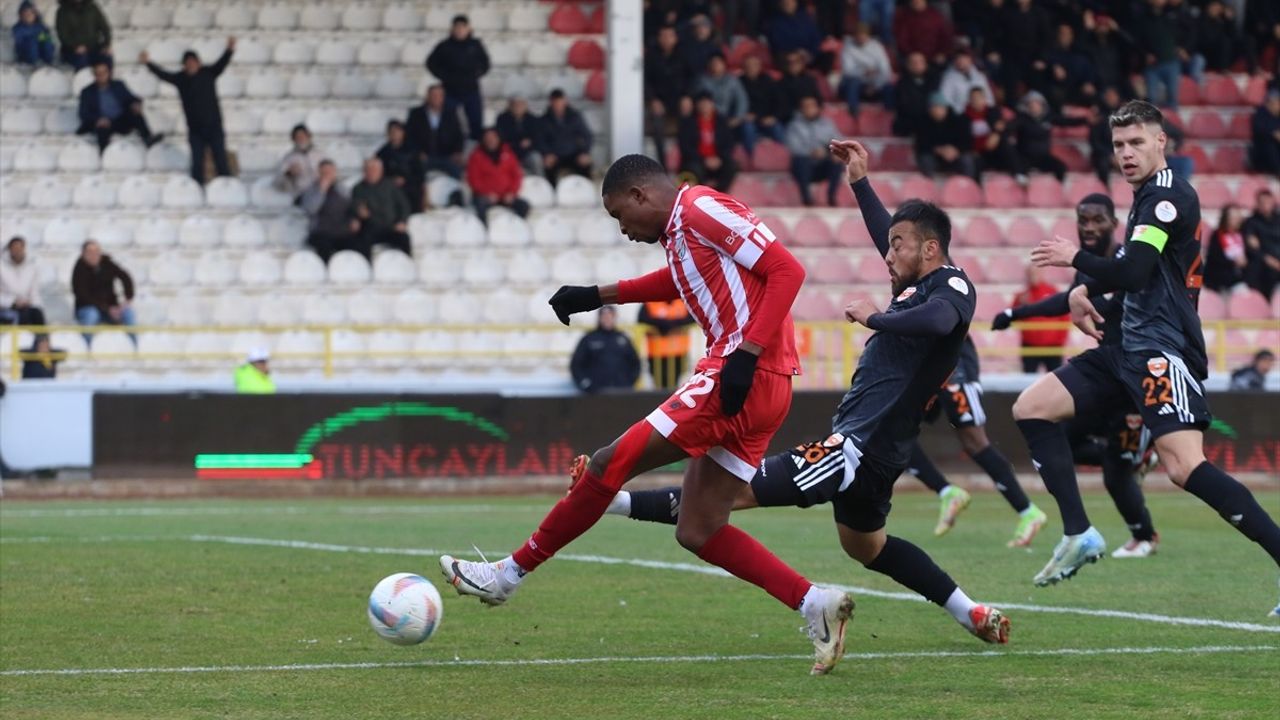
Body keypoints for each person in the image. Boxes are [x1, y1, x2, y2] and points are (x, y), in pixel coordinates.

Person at [440, 154, 859, 677]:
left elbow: (787, 270)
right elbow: (676, 282)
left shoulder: (702, 208)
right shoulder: (682, 232)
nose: (624, 229)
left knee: (606, 465)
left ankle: (508, 573)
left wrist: (747, 353)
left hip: (740, 372)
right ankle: (812, 601)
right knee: (699, 529)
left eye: (620, 216)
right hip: (764, 384)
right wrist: (597, 295)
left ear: (640, 195)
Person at [597, 142, 1013, 648]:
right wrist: (859, 181)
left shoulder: (952, 287)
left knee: (729, 495)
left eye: (897, 245)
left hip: (858, 447)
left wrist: (876, 318)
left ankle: (614, 502)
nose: (887, 253)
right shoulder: (916, 279)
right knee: (867, 547)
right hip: (876, 449)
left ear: (930, 249)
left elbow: (940, 321)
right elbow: (891, 235)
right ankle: (970, 611)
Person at [1021, 101, 1280, 605]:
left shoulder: (1166, 196)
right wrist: (1082, 292)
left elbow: (1136, 270)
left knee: (1184, 468)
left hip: (1161, 351)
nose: (1126, 153)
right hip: (1124, 349)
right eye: (1118, 145)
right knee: (1032, 408)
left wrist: (1074, 260)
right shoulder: (1145, 200)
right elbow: (1132, 266)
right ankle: (1079, 533)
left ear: (1162, 143)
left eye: (1136, 142)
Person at [995, 193, 1163, 559]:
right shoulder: (1087, 269)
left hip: (1133, 379)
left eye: (1097, 220)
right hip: (1104, 373)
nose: (1089, 227)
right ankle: (1130, 458)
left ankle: (1145, 536)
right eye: (1082, 220)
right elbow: (1070, 299)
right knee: (1058, 439)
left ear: (1115, 224)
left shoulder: (1126, 262)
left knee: (1118, 476)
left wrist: (1027, 311)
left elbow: (1105, 305)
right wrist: (1015, 313)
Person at [142, 38, 234, 184]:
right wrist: (148, 63)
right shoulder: (181, 79)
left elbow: (222, 63)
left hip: (214, 126)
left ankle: (228, 189)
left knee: (221, 160)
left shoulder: (208, 73)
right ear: (184, 66)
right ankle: (197, 192)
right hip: (195, 130)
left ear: (199, 63)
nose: (190, 65)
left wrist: (229, 50)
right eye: (187, 63)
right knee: (197, 163)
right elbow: (163, 74)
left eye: (193, 62)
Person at [425, 14, 489, 141]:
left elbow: (486, 63)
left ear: (468, 29)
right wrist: (444, 76)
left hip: (471, 90)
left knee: (476, 123)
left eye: (462, 27)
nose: (459, 30)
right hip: (450, 91)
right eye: (457, 27)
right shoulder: (444, 46)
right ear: (452, 29)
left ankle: (476, 152)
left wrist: (475, 74)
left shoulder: (476, 45)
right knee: (448, 124)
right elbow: (430, 63)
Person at [76, 61, 159, 153]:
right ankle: (104, 155)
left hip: (120, 120)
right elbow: (83, 113)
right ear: (94, 75)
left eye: (104, 72)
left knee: (135, 113)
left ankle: (148, 139)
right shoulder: (87, 92)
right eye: (98, 73)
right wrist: (98, 119)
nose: (101, 75)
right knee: (102, 129)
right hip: (103, 122)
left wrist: (135, 103)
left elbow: (132, 98)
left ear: (109, 73)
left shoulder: (118, 85)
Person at [1011, 90, 1083, 184]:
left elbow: (1066, 122)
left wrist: (1085, 120)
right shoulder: (1022, 119)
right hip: (1026, 156)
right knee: (1019, 169)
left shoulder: (1048, 118)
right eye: (1031, 103)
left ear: (1042, 105)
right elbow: (1010, 127)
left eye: (1037, 103)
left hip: (1043, 157)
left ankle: (1062, 192)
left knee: (1060, 167)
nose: (1034, 106)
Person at [71, 240, 135, 343]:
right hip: (88, 307)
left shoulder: (107, 263)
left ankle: (134, 348)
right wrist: (107, 308)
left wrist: (127, 299)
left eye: (97, 251)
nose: (94, 255)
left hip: (110, 309)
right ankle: (86, 348)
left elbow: (125, 276)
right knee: (91, 315)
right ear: (83, 254)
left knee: (129, 313)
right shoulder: (79, 269)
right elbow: (82, 295)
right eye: (90, 252)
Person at [349, 158, 412, 260]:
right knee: (361, 240)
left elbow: (404, 205)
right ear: (364, 171)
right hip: (371, 228)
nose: (372, 172)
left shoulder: (390, 186)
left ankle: (407, 266)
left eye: (375, 170)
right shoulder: (358, 188)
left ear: (381, 171)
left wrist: (402, 221)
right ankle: (367, 269)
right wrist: (358, 213)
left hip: (391, 227)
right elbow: (354, 207)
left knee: (404, 238)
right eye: (369, 170)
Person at [786, 95, 843, 207]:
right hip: (803, 165)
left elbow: (839, 141)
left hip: (822, 163)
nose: (809, 109)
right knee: (800, 160)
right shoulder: (794, 125)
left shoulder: (827, 124)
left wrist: (828, 152)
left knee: (837, 160)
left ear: (818, 108)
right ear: (801, 109)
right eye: (805, 106)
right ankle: (806, 198)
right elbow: (794, 147)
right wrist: (812, 153)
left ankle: (831, 197)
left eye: (812, 106)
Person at [643, 24, 689, 163]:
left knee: (688, 125)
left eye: (669, 36)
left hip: (678, 100)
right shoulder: (651, 56)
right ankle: (662, 165)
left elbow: (691, 78)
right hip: (659, 100)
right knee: (657, 124)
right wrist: (653, 99)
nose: (666, 39)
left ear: (675, 38)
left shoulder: (683, 54)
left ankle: (687, 163)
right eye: (663, 36)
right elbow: (645, 80)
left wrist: (687, 97)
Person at [1010, 265, 1068, 373]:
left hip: (1052, 346)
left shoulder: (1052, 292)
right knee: (1028, 379)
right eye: (1030, 274)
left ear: (1041, 274)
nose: (1033, 276)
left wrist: (1060, 340)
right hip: (1030, 345)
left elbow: (1064, 317)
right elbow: (1010, 318)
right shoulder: (1022, 296)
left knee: (1055, 378)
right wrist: (1019, 305)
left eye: (1035, 273)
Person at [569, 307, 641, 394]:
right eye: (604, 316)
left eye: (610, 316)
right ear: (599, 318)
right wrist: (586, 384)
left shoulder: (623, 339)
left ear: (614, 318)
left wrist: (629, 382)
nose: (607, 319)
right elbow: (576, 364)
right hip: (596, 393)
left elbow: (635, 363)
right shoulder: (589, 339)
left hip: (621, 391)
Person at [678, 92, 738, 192]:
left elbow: (729, 143)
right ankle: (701, 194)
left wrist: (719, 158)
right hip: (697, 161)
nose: (705, 106)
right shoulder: (688, 123)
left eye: (707, 103)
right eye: (702, 103)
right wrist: (704, 160)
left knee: (731, 166)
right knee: (693, 168)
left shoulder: (721, 121)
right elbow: (685, 147)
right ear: (696, 105)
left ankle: (720, 193)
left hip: (718, 160)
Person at [405, 84, 466, 182]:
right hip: (424, 156)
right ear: (428, 96)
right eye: (433, 95)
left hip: (447, 156)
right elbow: (409, 136)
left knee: (458, 174)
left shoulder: (451, 113)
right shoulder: (416, 114)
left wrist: (457, 152)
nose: (436, 98)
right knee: (415, 175)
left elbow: (459, 135)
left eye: (439, 95)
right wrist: (417, 153)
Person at [466, 127, 529, 221]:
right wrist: (487, 193)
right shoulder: (476, 156)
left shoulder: (508, 153)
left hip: (505, 196)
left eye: (493, 137)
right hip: (485, 196)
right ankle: (484, 231)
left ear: (498, 138)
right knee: (480, 205)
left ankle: (515, 228)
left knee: (524, 206)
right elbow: (473, 180)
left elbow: (517, 176)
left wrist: (511, 192)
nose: (491, 141)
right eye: (487, 138)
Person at [298, 160, 355, 263]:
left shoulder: (342, 189)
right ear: (319, 173)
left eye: (330, 172)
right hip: (320, 232)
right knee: (324, 247)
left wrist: (353, 219)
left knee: (356, 245)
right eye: (324, 172)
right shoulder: (311, 190)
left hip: (341, 232)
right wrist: (321, 191)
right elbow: (310, 209)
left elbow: (351, 207)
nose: (327, 175)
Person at [915, 93, 978, 182]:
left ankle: (968, 188)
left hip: (954, 156)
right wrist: (940, 150)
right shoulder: (923, 122)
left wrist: (956, 150)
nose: (938, 110)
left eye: (941, 107)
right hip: (935, 156)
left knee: (967, 160)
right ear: (929, 109)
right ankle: (929, 189)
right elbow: (922, 144)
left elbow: (966, 141)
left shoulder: (956, 121)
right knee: (926, 160)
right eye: (935, 107)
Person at [536, 89, 593, 184]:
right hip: (554, 155)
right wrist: (546, 154)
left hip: (574, 153)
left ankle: (586, 190)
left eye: (560, 102)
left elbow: (587, 136)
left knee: (585, 164)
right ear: (551, 103)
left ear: (565, 101)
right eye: (555, 103)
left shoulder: (575, 117)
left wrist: (584, 152)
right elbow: (540, 140)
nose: (558, 105)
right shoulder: (544, 120)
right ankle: (552, 193)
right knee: (547, 166)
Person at [637, 298, 695, 389]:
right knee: (659, 385)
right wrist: (663, 325)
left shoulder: (683, 302)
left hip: (679, 353)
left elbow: (693, 317)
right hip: (657, 354)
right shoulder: (651, 303)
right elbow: (642, 318)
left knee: (677, 383)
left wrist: (672, 324)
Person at [838, 22, 893, 115]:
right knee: (853, 82)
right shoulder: (847, 47)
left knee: (889, 88)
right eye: (858, 35)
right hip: (855, 86)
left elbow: (885, 70)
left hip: (874, 85)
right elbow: (848, 70)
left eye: (863, 35)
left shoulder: (877, 47)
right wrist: (864, 72)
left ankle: (889, 115)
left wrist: (875, 86)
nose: (861, 38)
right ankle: (854, 113)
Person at [1138, 0, 1183, 110]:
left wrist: (1184, 47)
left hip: (1171, 61)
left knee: (1173, 99)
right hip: (1152, 65)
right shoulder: (1143, 16)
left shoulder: (1174, 13)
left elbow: (1188, 31)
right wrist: (1145, 54)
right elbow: (1137, 41)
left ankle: (1172, 125)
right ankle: (1153, 125)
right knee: (1151, 99)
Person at [964, 87, 1018, 176]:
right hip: (976, 153)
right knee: (973, 161)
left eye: (979, 98)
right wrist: (972, 150)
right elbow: (963, 138)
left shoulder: (993, 112)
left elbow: (1003, 128)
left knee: (1006, 145)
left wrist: (997, 134)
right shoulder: (964, 117)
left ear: (984, 99)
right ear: (970, 100)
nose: (976, 101)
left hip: (992, 150)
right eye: (973, 98)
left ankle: (1019, 175)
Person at [693, 54, 748, 142]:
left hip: (730, 118)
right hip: (710, 118)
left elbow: (742, 100)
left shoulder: (732, 80)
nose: (716, 65)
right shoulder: (702, 81)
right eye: (713, 63)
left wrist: (737, 117)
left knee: (747, 126)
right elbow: (701, 102)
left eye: (718, 63)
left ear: (724, 64)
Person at [738, 54, 785, 154]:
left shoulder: (769, 81)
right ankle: (752, 158)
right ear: (743, 67)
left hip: (767, 118)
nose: (751, 68)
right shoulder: (738, 82)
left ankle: (784, 156)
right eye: (748, 65)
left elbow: (779, 102)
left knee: (778, 129)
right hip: (748, 119)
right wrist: (743, 115)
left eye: (754, 65)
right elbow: (736, 103)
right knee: (747, 128)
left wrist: (773, 117)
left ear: (760, 67)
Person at [376, 120, 426, 213]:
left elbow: (419, 175)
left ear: (403, 133)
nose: (394, 134)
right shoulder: (382, 153)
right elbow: (378, 175)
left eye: (397, 131)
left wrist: (405, 180)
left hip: (410, 187)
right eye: (392, 132)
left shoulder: (413, 151)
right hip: (390, 188)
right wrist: (391, 180)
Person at [892, 0, 953, 67]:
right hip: (913, 57)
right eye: (914, 2)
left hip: (935, 57)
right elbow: (901, 39)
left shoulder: (935, 15)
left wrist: (942, 53)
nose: (917, 3)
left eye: (919, 1)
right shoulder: (904, 17)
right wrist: (912, 54)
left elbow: (945, 36)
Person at [1203, 204, 1248, 293]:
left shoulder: (1243, 234)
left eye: (1238, 217)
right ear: (1226, 219)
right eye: (1233, 218)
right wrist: (1234, 262)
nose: (1237, 221)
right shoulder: (1217, 235)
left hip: (1240, 277)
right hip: (1221, 279)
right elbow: (1214, 258)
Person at [765, 0, 823, 70]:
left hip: (808, 55)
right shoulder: (774, 23)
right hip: (789, 56)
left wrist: (810, 53)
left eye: (790, 2)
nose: (788, 5)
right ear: (780, 5)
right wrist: (798, 52)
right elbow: (777, 43)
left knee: (827, 56)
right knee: (789, 59)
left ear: (795, 3)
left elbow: (816, 38)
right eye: (785, 3)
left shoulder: (805, 18)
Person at [893, 51, 939, 138]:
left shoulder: (934, 80)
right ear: (908, 65)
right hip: (909, 121)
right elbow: (904, 105)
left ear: (926, 64)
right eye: (913, 62)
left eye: (920, 62)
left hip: (929, 120)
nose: (917, 65)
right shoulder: (902, 83)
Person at [1244, 189, 1280, 299]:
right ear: (1257, 204)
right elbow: (1253, 248)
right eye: (1262, 202)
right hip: (1264, 264)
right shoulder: (1251, 222)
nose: (1265, 205)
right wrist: (1269, 260)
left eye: (1268, 202)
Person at [0, 237, 44, 326]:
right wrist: (13, 302)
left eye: (20, 248)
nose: (17, 252)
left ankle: (43, 339)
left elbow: (35, 294)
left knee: (37, 313)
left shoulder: (32, 268)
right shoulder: (2, 267)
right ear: (10, 250)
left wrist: (30, 302)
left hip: (26, 308)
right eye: (15, 248)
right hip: (6, 308)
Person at [55, 0, 110, 70]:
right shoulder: (62, 11)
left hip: (93, 47)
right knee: (82, 59)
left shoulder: (92, 8)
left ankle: (106, 80)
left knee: (107, 57)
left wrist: (106, 44)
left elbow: (104, 27)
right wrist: (75, 47)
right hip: (71, 50)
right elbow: (62, 35)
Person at [495, 96, 542, 178]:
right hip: (508, 152)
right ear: (510, 106)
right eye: (515, 104)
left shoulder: (533, 119)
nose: (518, 107)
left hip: (527, 152)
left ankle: (540, 183)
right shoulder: (502, 119)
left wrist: (529, 142)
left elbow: (537, 138)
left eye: (521, 104)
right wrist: (519, 143)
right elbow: (501, 138)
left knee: (536, 158)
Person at [938, 49, 994, 116]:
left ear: (970, 60)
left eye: (964, 58)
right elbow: (946, 101)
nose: (960, 62)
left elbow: (989, 98)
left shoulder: (980, 76)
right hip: (960, 115)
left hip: (982, 114)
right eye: (958, 59)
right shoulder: (948, 78)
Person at [273, 125, 322, 199]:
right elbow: (278, 183)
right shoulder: (288, 158)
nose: (301, 139)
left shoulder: (321, 155)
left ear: (309, 137)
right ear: (293, 140)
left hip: (320, 193)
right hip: (301, 195)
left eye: (303, 136)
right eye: (297, 138)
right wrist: (288, 174)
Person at [775, 51, 821, 126]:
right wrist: (804, 109)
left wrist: (814, 108)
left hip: (813, 113)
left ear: (802, 63)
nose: (793, 65)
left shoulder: (810, 80)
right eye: (790, 62)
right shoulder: (781, 83)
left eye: (796, 61)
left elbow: (819, 99)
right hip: (794, 117)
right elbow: (783, 106)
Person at [1251, 90, 1280, 177]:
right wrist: (1274, 133)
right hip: (1262, 153)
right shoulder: (1260, 113)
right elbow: (1259, 130)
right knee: (1269, 143)